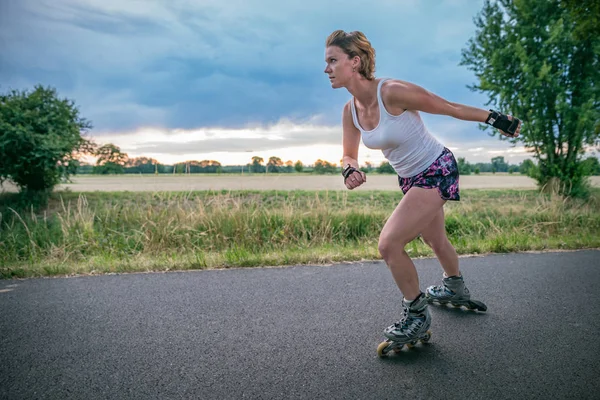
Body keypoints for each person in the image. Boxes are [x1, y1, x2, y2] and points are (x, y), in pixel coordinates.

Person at [324, 30, 521, 346]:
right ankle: (455, 286)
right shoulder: (350, 111)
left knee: (389, 244)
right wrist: (350, 168)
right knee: (434, 238)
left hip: (436, 169)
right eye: (327, 62)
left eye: (333, 60)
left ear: (355, 61)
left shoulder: (392, 92)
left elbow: (447, 107)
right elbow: (349, 152)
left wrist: (496, 119)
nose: (326, 69)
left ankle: (416, 314)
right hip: (410, 178)